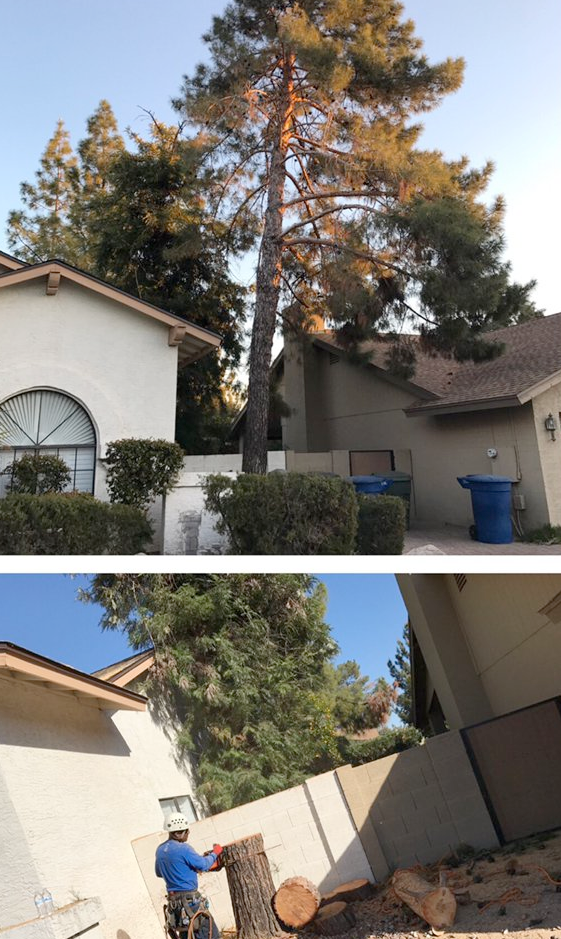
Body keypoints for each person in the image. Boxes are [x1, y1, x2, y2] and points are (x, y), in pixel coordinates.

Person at [156, 812, 223, 939]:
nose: (188, 833)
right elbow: (203, 865)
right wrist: (215, 853)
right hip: (191, 905)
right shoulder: (184, 848)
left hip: (176, 908)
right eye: (187, 831)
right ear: (179, 833)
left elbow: (159, 872)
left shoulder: (160, 850)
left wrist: (182, 870)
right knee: (211, 935)